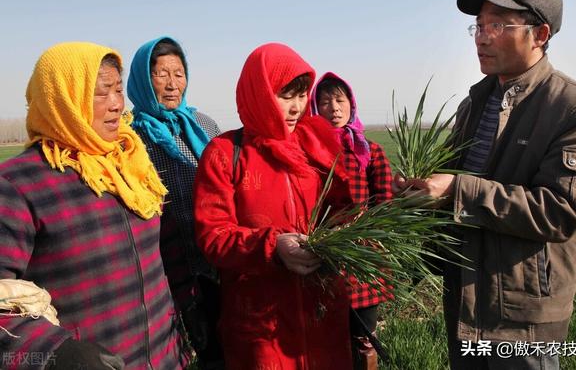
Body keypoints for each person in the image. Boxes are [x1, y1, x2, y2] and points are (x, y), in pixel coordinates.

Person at [393, 0, 576, 369]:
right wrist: (419, 190)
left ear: (540, 34)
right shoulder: (474, 103)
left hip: (523, 313)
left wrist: (457, 189)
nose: (482, 37)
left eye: (497, 25)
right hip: (466, 297)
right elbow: (446, 183)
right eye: (478, 26)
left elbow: (560, 210)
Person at [0, 42, 189, 369]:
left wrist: (188, 317)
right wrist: (55, 353)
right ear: (63, 100)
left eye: (119, 90)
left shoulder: (133, 167)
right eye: (102, 93)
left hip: (165, 358)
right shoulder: (18, 185)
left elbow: (166, 259)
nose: (117, 104)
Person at [193, 43, 354, 369]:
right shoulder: (225, 153)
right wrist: (272, 247)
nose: (296, 108)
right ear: (260, 92)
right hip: (262, 326)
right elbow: (214, 235)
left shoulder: (316, 144)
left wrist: (351, 232)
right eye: (285, 95)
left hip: (322, 315)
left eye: (301, 95)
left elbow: (342, 211)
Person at [127, 36, 222, 369]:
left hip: (216, 261)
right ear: (143, 79)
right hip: (166, 269)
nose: (171, 84)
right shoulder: (130, 138)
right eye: (160, 73)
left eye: (178, 73)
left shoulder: (205, 126)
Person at [311, 73, 392, 369]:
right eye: (325, 101)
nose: (334, 107)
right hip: (321, 257)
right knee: (326, 337)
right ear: (315, 108)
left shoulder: (370, 151)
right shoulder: (307, 151)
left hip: (362, 258)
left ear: (351, 104)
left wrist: (363, 230)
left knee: (363, 338)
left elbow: (385, 205)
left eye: (339, 100)